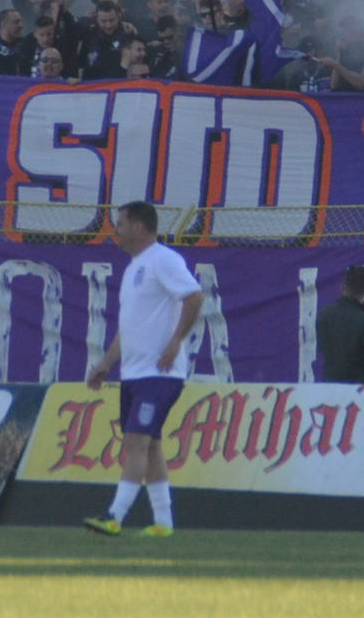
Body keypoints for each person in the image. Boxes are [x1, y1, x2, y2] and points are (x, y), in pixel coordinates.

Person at [83, 201, 206, 538]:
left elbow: (194, 296)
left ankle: (115, 516)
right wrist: (107, 363)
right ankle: (164, 522)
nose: (116, 230)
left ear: (138, 227)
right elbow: (129, 327)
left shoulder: (163, 259)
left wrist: (176, 341)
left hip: (160, 373)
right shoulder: (133, 268)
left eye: (121, 224)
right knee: (149, 445)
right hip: (135, 373)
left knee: (136, 440)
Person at [315, 263, 364, 384]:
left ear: (342, 287)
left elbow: (323, 348)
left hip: (330, 387)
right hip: (359, 388)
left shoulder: (324, 315)